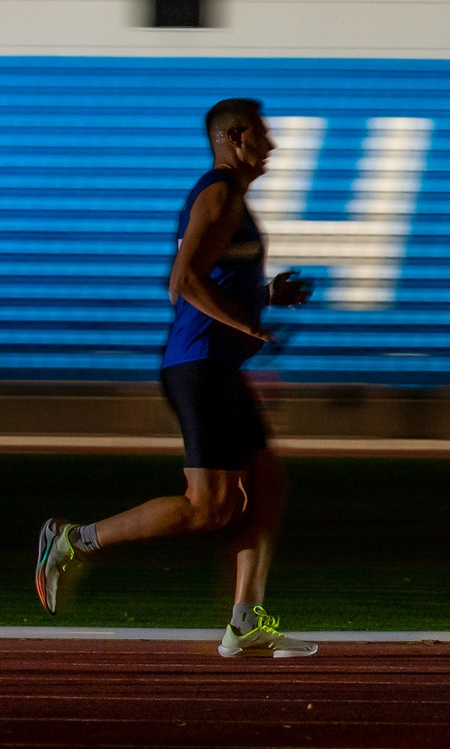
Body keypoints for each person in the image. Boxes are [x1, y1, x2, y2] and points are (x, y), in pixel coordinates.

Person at [34, 98, 319, 659]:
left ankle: (245, 620)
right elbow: (182, 282)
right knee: (208, 508)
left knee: (266, 482)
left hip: (217, 365)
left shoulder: (232, 199)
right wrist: (251, 328)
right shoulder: (217, 194)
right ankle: (69, 541)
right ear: (236, 137)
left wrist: (266, 297)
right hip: (198, 365)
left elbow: (213, 279)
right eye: (263, 134)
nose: (273, 145)